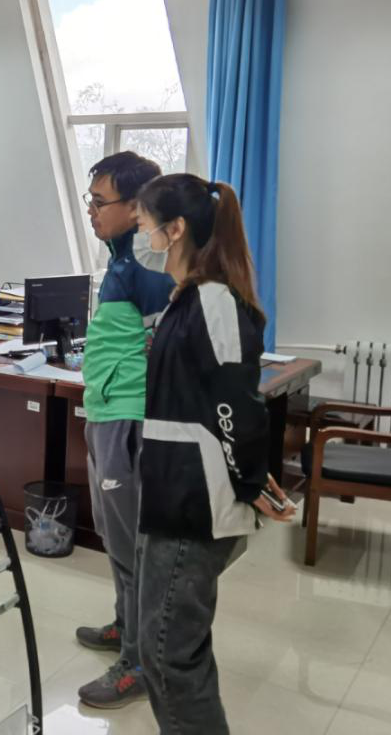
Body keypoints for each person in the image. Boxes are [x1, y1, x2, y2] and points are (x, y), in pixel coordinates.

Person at [132, 173, 296, 733]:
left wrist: (251, 480)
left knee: (169, 654)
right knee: (161, 648)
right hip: (171, 491)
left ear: (175, 229)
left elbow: (236, 403)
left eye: (145, 225)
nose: (143, 237)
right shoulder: (186, 300)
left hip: (194, 501)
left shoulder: (215, 301)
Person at [75, 152, 176, 710]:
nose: (90, 211)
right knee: (115, 537)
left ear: (136, 207)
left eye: (99, 202)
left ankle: (138, 663)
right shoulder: (120, 257)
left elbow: (169, 337)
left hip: (130, 417)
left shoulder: (147, 259)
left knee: (136, 548)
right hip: (105, 410)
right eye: (88, 200)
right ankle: (123, 626)